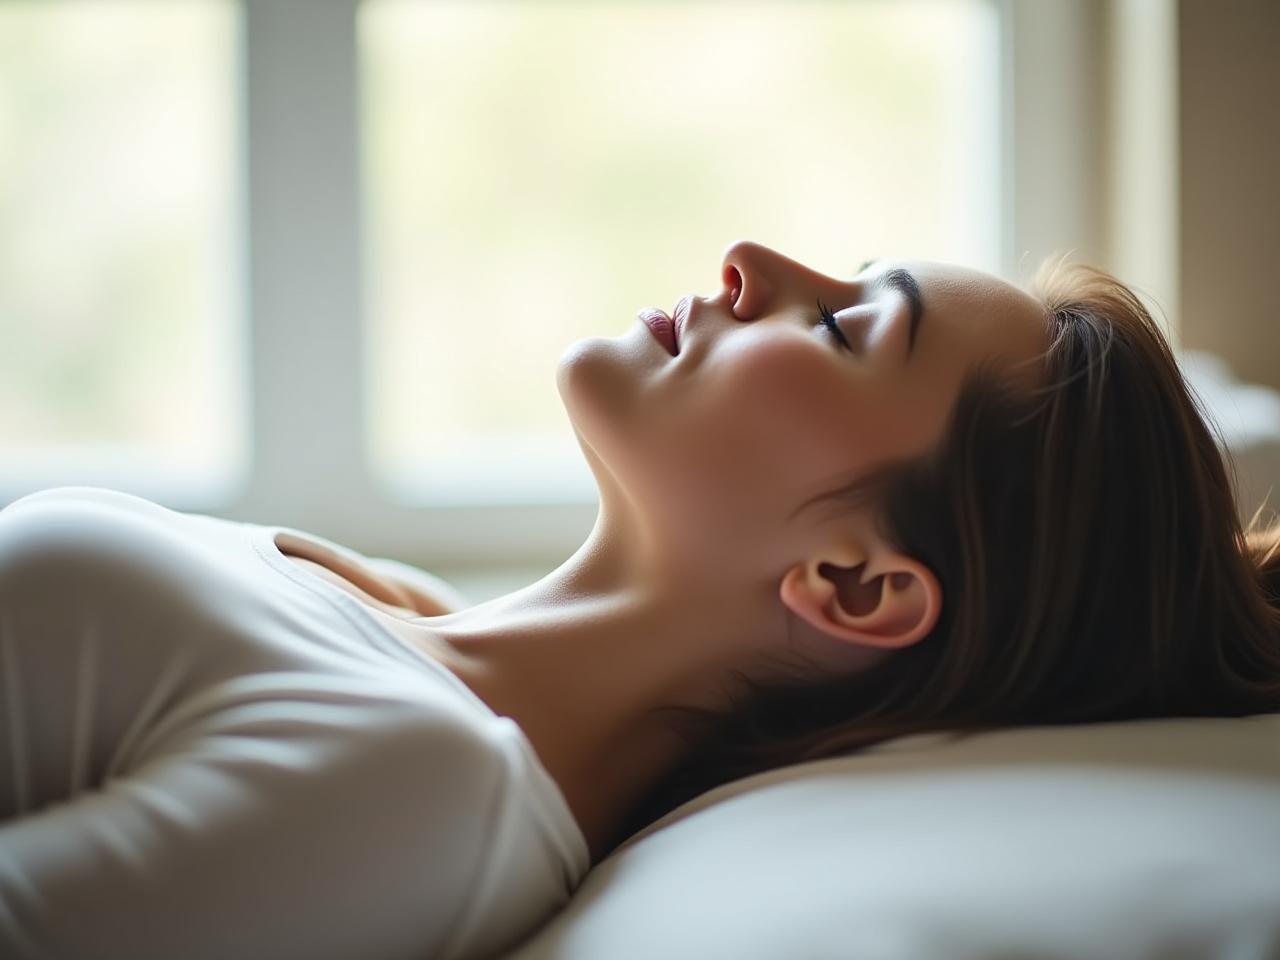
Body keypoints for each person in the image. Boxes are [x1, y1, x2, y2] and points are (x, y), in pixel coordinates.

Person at [2, 240, 1278, 960]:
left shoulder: (414, 785)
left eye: (841, 328)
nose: (750, 262)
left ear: (855, 586)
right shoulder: (406, 610)